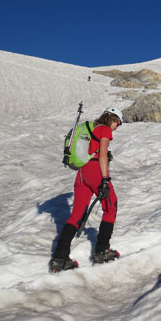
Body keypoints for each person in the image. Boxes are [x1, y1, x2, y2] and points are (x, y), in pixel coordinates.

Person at [49, 107, 124, 273]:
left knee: (76, 215)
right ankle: (101, 251)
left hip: (82, 172)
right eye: (118, 123)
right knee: (110, 207)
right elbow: (102, 155)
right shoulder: (104, 130)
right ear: (113, 119)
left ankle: (60, 258)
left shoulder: (92, 127)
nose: (117, 127)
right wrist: (105, 179)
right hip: (95, 171)